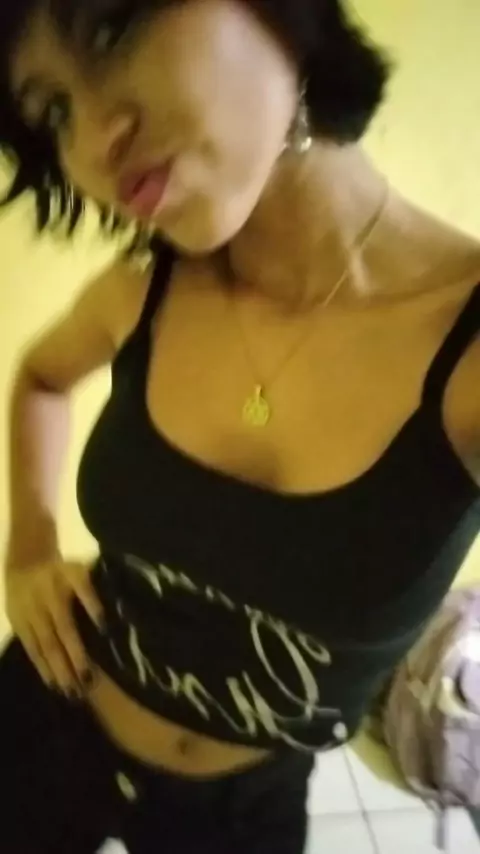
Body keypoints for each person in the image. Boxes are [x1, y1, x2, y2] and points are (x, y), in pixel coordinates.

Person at [1, 0, 480, 852]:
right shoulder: (143, 289)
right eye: (55, 112)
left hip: (236, 814)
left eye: (112, 30)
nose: (94, 142)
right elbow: (40, 379)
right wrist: (29, 547)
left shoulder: (465, 353)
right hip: (47, 710)